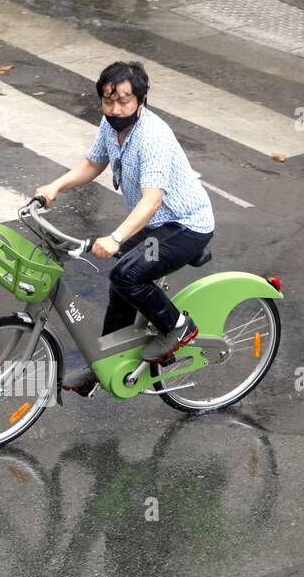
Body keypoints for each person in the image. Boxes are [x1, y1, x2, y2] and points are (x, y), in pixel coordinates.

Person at [36, 61, 215, 396]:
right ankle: (103, 363)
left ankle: (178, 327)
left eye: (124, 101)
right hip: (153, 225)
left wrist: (117, 237)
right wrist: (54, 187)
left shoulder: (153, 136)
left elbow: (152, 200)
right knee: (121, 282)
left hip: (184, 225)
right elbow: (93, 163)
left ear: (141, 101)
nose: (115, 109)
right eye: (108, 101)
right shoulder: (111, 126)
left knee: (126, 275)